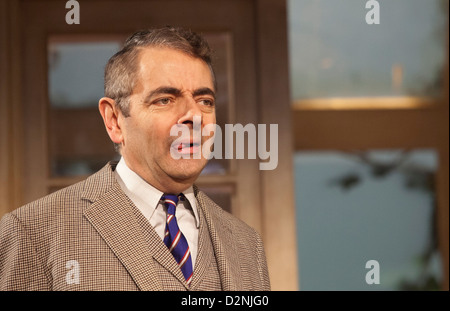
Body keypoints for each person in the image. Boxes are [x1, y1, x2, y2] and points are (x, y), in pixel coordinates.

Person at [0, 27, 270, 291]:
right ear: (114, 120)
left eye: (205, 101)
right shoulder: (32, 232)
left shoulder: (248, 246)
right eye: (165, 100)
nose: (195, 116)